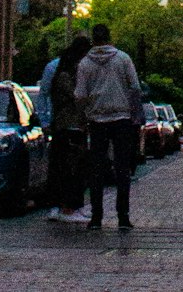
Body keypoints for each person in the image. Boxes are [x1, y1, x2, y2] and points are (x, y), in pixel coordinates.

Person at [74, 22, 142, 232]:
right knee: (122, 168)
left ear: (93, 40)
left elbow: (80, 95)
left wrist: (83, 117)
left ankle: (96, 217)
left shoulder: (85, 63)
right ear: (109, 37)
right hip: (121, 118)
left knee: (96, 170)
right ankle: (123, 216)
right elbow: (135, 88)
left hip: (97, 121)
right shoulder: (123, 59)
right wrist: (134, 115)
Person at [48, 34, 90, 223]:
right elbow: (77, 97)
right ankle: (69, 207)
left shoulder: (59, 73)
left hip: (64, 125)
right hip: (71, 125)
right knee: (72, 167)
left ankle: (64, 206)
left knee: (65, 167)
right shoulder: (67, 76)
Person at [36, 51, 59, 130]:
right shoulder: (53, 66)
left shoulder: (52, 66)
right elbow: (43, 94)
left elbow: (43, 94)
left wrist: (44, 122)